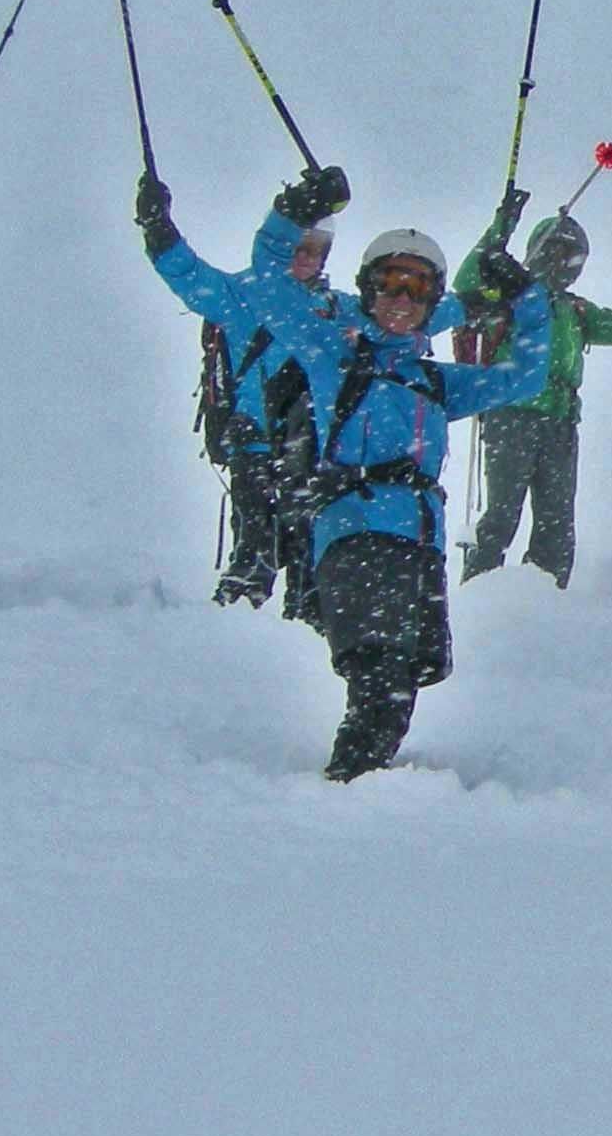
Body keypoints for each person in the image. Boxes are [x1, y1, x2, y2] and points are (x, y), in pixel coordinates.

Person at [143, 167, 544, 779]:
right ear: (367, 288)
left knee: (409, 673)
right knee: (379, 673)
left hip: (419, 543)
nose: (401, 299)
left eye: (416, 288)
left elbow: (525, 376)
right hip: (354, 531)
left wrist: (525, 299)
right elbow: (267, 282)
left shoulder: (434, 381)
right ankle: (345, 794)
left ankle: (358, 788)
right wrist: (290, 212)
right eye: (389, 283)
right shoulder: (333, 353)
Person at [454, 186, 612, 589]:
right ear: (536, 252)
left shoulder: (576, 310)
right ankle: (480, 596)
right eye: (553, 252)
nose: (560, 263)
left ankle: (545, 602)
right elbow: (467, 279)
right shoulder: (508, 298)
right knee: (502, 515)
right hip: (512, 414)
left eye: (568, 257)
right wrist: (502, 225)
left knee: (556, 523)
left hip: (560, 423)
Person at [157, 179, 339, 616]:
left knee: (309, 557)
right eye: (299, 246)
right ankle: (234, 628)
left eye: (314, 248)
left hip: (315, 454)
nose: (305, 256)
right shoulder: (243, 295)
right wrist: (157, 230)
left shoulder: (335, 310)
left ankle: (300, 625)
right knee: (256, 548)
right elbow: (188, 276)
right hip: (256, 444)